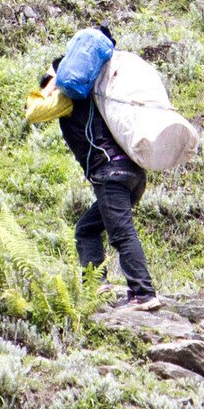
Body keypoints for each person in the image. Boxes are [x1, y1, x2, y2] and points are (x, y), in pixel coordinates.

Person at [29, 48, 159, 308]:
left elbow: (33, 111)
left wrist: (51, 83)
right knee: (86, 229)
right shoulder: (100, 96)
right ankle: (96, 287)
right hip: (132, 174)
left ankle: (144, 293)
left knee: (122, 234)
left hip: (110, 174)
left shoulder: (69, 98)